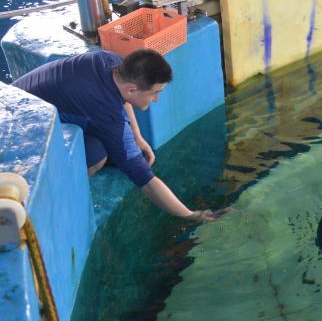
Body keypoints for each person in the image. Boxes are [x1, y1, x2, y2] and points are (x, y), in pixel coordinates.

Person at [12, 49, 219, 222]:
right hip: (19, 128)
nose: (155, 99)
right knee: (96, 156)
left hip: (18, 100)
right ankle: (63, 199)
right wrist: (190, 214)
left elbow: (124, 100)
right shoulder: (106, 112)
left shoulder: (111, 62)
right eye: (154, 93)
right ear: (132, 89)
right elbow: (143, 177)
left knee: (99, 148)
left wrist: (137, 135)